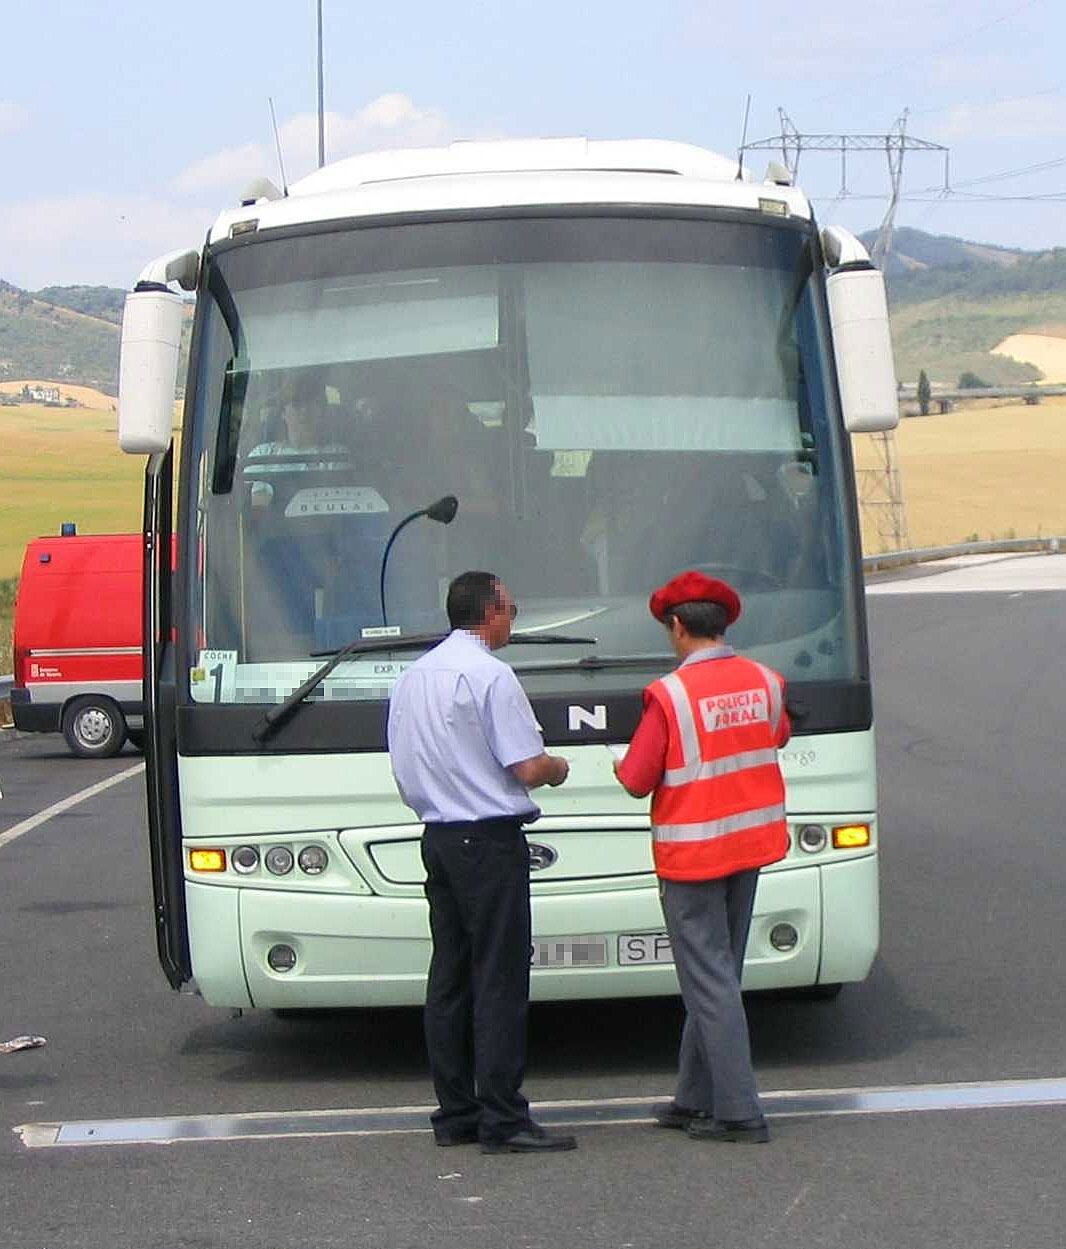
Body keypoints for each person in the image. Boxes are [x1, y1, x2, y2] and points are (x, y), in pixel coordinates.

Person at [386, 571, 577, 1155]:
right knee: (499, 978)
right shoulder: (491, 675)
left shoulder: (412, 678)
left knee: (450, 976)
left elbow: (403, 762)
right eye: (512, 608)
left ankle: (456, 1111)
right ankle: (504, 1116)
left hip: (438, 835)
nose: (514, 619)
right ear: (491, 611)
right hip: (488, 840)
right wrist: (558, 767)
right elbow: (525, 765)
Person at [612, 570, 790, 1144]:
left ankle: (739, 1111)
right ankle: (693, 1097)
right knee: (718, 975)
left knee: (708, 980)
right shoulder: (766, 680)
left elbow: (638, 779)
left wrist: (618, 760)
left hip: (693, 856)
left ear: (678, 627)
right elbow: (777, 735)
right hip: (750, 846)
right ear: (724, 624)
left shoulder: (669, 695)